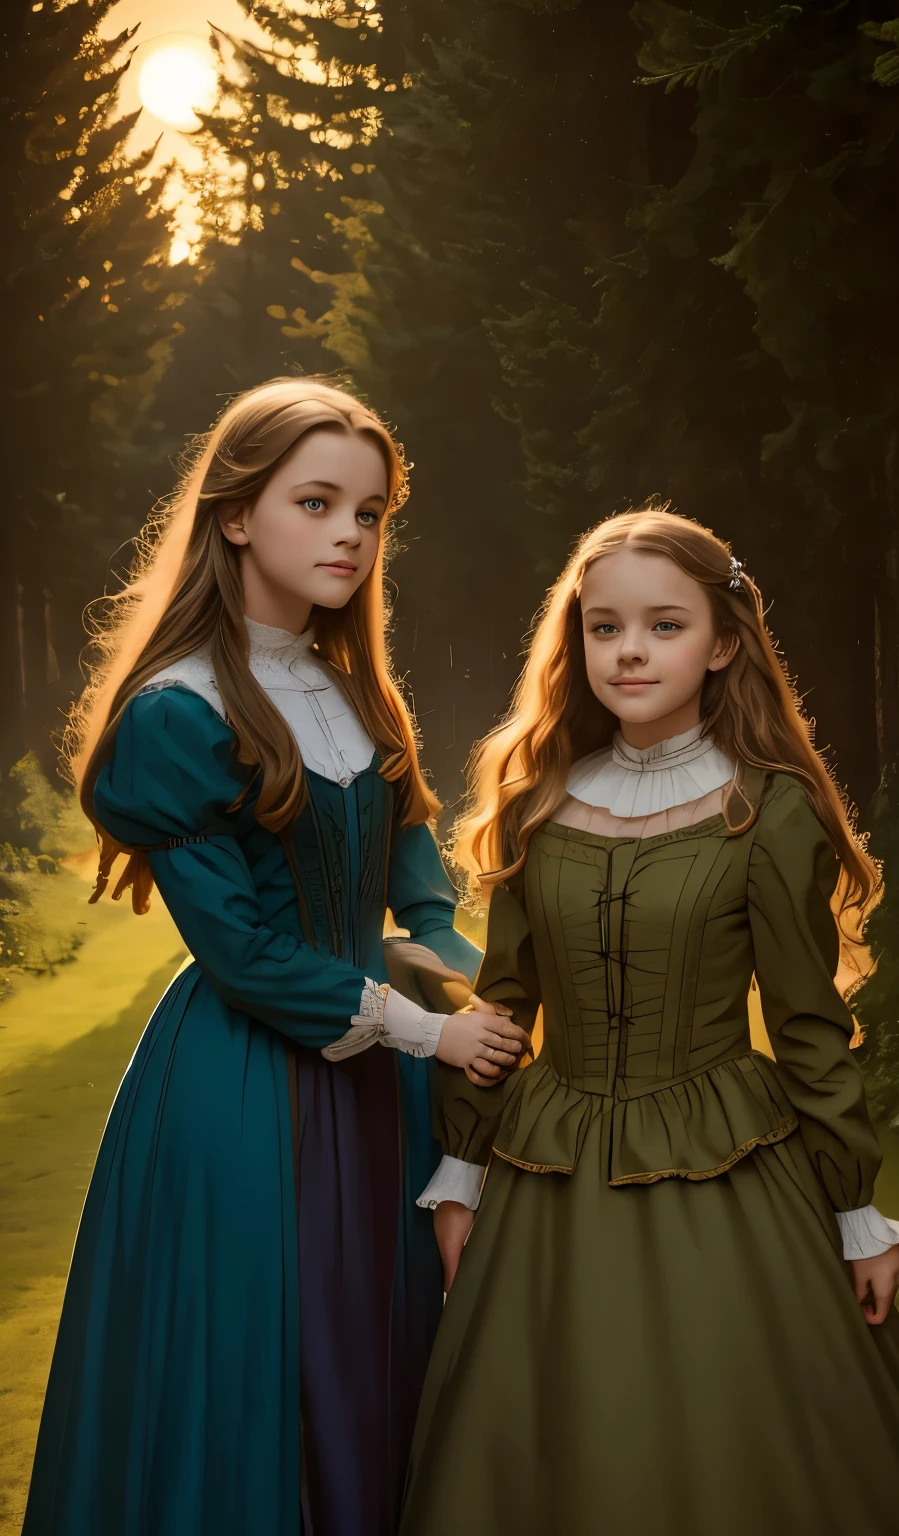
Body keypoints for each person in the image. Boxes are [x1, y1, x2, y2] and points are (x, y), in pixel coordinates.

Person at [401, 507, 899, 1536]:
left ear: (722, 643)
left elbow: (809, 1031)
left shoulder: (768, 810)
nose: (629, 650)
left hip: (729, 1158)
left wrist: (858, 1217)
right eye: (604, 627)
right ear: (575, 639)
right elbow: (504, 1005)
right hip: (548, 1175)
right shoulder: (538, 800)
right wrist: (459, 1175)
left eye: (664, 626)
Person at [22, 377, 526, 1536]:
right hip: (245, 1091)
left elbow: (419, 903)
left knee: (390, 1358)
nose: (351, 532)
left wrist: (499, 993)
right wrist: (434, 1030)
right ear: (237, 515)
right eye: (317, 502)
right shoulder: (176, 710)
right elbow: (244, 953)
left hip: (385, 1085)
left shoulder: (357, 695)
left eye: (371, 512)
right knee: (272, 1378)